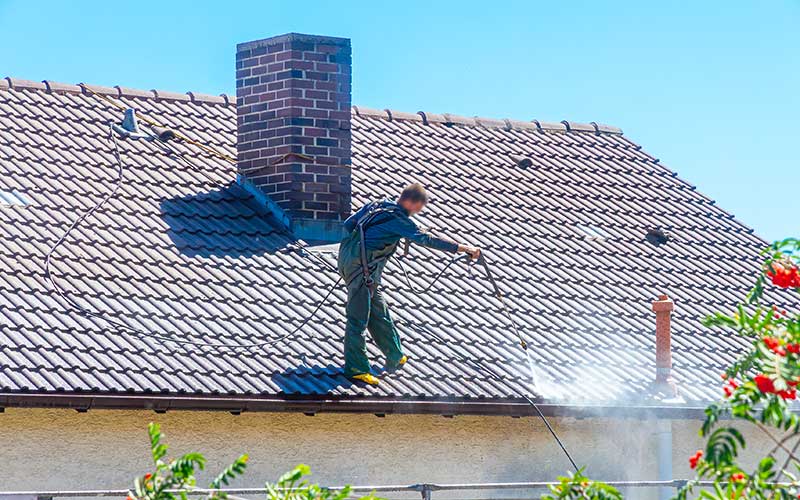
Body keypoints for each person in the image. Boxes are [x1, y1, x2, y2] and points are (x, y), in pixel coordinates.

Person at [337, 183, 481, 385]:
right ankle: (356, 369)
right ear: (411, 202)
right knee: (357, 318)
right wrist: (464, 248)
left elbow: (348, 224)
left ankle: (395, 355)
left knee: (378, 310)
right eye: (419, 208)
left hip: (351, 263)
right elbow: (426, 239)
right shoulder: (399, 220)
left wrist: (360, 247)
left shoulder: (378, 205)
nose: (417, 212)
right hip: (362, 270)